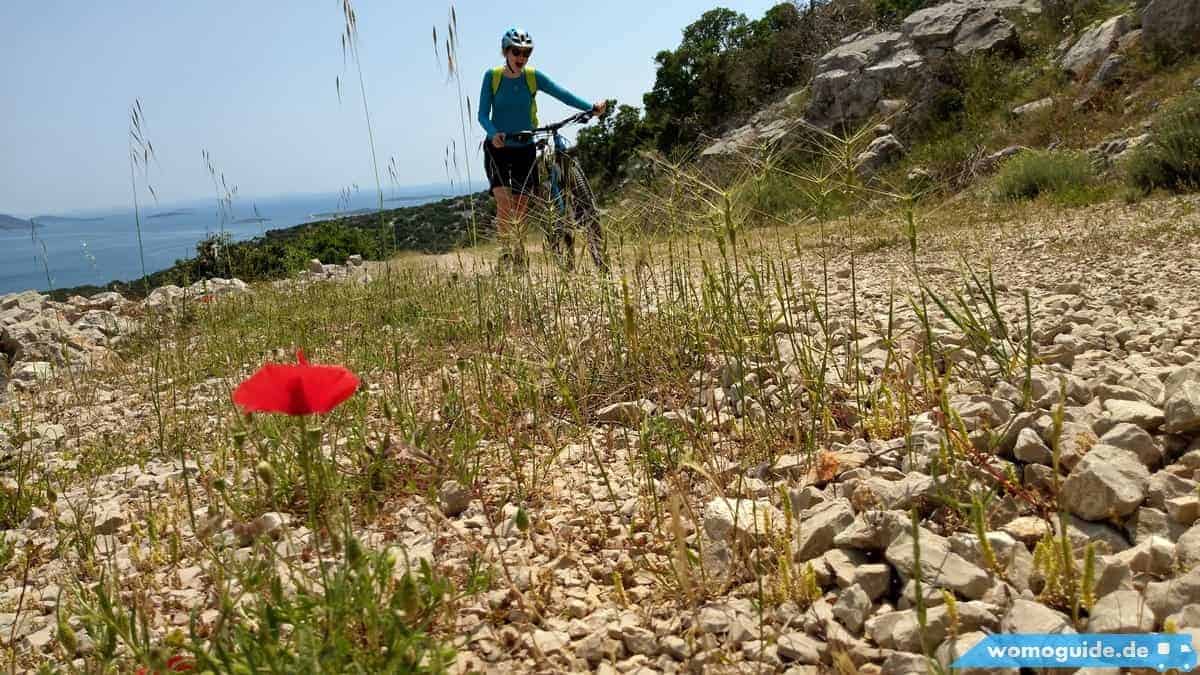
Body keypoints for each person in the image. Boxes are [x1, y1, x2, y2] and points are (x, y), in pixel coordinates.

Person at [478, 27, 606, 271]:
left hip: (525, 147)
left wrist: (590, 107)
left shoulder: (532, 77)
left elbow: (562, 93)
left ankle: (518, 249)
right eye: (516, 52)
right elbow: (482, 114)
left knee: (521, 205)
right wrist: (493, 133)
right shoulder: (492, 76)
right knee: (504, 203)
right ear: (506, 52)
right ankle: (506, 252)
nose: (521, 57)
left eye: (526, 53)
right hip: (498, 148)